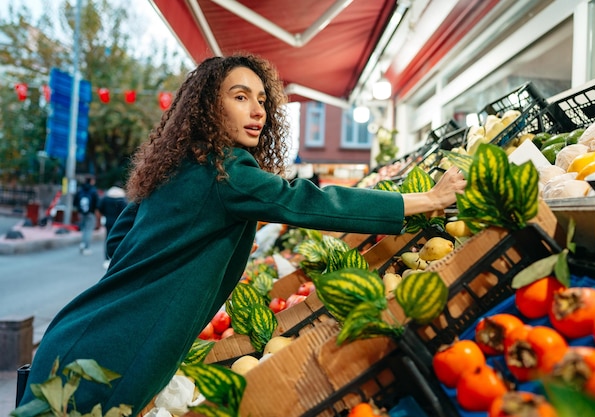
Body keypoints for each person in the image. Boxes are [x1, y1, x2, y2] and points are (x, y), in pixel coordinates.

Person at [18, 54, 466, 415]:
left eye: (262, 100)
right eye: (240, 97)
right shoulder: (227, 171)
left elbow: (120, 241)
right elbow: (309, 202)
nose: (258, 110)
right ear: (210, 107)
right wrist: (423, 201)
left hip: (82, 334)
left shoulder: (177, 164)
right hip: (109, 360)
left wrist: (160, 283)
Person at [97, 183, 128, 268]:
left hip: (108, 222)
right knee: (119, 240)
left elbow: (99, 208)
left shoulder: (106, 197)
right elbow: (125, 212)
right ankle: (115, 258)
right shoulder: (122, 198)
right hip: (119, 222)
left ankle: (107, 258)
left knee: (108, 239)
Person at [73, 176, 99, 255]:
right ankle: (86, 247)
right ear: (91, 181)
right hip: (90, 213)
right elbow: (97, 203)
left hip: (81, 213)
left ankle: (82, 243)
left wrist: (79, 210)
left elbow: (75, 202)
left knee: (84, 229)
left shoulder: (80, 190)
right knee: (89, 230)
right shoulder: (93, 190)